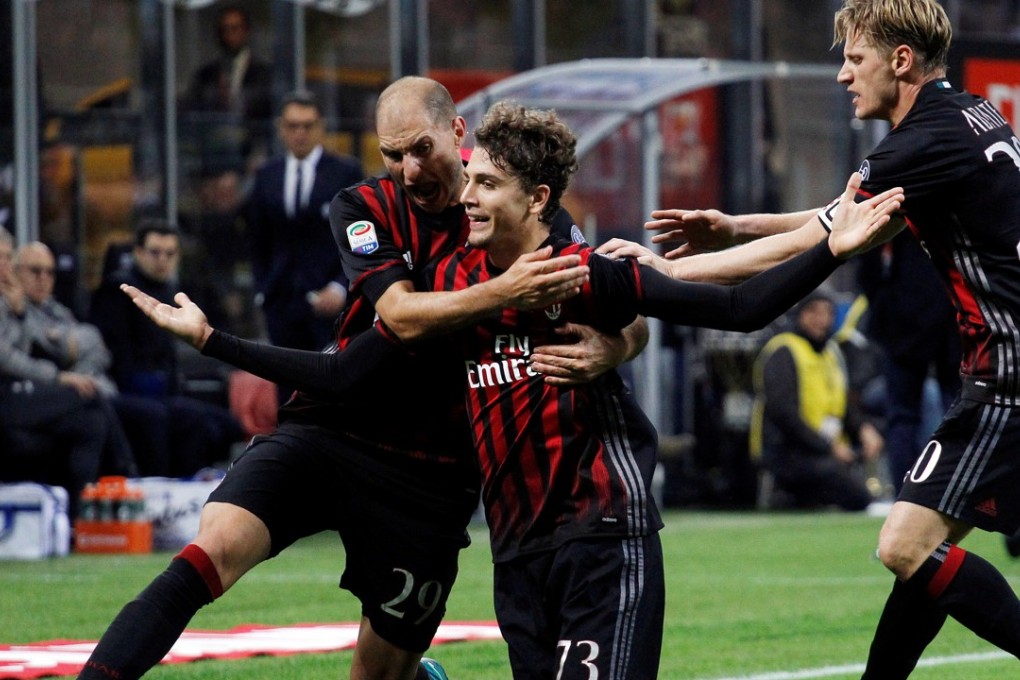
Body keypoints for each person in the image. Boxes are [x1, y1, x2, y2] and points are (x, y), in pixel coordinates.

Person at [120, 100, 903, 679]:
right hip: (518, 555)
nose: (466, 196)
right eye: (470, 180)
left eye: (486, 183)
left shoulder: (580, 272)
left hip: (602, 537)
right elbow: (346, 370)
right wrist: (213, 342)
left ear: (536, 200)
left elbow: (734, 308)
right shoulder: (453, 283)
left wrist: (830, 247)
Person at [75, 77, 638, 680]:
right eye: (393, 154)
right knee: (214, 548)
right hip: (331, 428)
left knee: (378, 673)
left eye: (421, 148)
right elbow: (398, 317)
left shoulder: (518, 207)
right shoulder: (363, 206)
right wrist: (504, 290)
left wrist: (615, 346)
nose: (409, 169)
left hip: (434, 474)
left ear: (457, 132)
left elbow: (622, 311)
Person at [601, 1, 1020, 675]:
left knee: (905, 545)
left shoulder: (921, 142)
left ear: (900, 61)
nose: (843, 76)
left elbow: (819, 239)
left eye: (855, 59)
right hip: (998, 370)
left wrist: (668, 271)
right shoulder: (967, 114)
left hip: (1008, 377)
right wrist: (734, 227)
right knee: (922, 541)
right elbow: (841, 216)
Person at [89, 220, 245, 477]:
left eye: (169, 254)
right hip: (128, 391)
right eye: (155, 252)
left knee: (229, 424)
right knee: (173, 418)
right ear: (138, 252)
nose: (162, 260)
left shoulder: (170, 291)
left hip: (164, 391)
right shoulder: (119, 291)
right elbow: (115, 354)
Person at [15, 241, 176, 477]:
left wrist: (74, 355)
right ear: (16, 272)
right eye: (35, 271)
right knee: (141, 415)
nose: (43, 278)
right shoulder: (17, 312)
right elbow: (48, 352)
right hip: (53, 392)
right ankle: (129, 478)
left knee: (174, 415)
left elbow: (99, 350)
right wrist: (70, 354)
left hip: (90, 385)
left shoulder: (57, 310)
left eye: (50, 272)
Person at [0, 230, 128, 518]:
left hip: (23, 392)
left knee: (90, 422)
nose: (6, 266)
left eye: (8, 257)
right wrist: (57, 376)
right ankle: (127, 478)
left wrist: (18, 314)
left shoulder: (15, 300)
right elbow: (6, 358)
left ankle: (80, 517)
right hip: (9, 396)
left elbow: (93, 343)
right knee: (89, 396)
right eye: (3, 258)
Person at [246, 90, 363, 360]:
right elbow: (258, 239)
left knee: (330, 375)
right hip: (282, 302)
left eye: (307, 126)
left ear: (321, 127)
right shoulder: (267, 175)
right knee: (285, 377)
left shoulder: (345, 172)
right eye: (292, 126)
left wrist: (340, 287)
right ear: (280, 129)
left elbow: (357, 237)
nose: (300, 133)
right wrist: (263, 291)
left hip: (331, 303)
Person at [750, 288, 884, 511]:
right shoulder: (783, 349)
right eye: (813, 312)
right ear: (800, 314)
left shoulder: (831, 352)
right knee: (853, 491)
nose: (821, 320)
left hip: (825, 449)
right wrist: (827, 447)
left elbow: (843, 403)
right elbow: (784, 414)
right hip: (789, 451)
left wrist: (864, 429)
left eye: (827, 313)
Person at [856, 232, 960, 494]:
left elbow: (869, 252)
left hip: (905, 313)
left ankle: (905, 497)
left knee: (903, 416)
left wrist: (881, 301)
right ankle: (954, 493)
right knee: (958, 410)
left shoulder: (906, 206)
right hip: (952, 310)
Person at [181, 3, 273, 171]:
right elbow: (191, 111)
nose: (229, 35)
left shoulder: (264, 74)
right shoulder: (206, 75)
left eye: (235, 28)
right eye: (224, 29)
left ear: (246, 31)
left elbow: (267, 114)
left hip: (251, 154)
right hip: (213, 156)